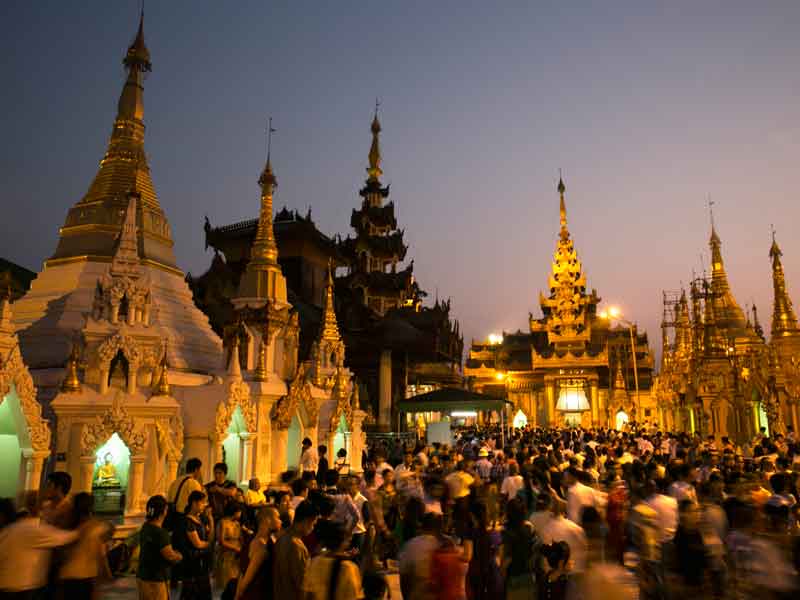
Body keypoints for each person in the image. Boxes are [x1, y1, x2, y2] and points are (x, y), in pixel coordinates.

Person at [0, 491, 79, 597]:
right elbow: (69, 537)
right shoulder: (37, 529)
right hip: (26, 587)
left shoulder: (10, 530)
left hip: (8, 585)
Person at [57, 492, 113, 599]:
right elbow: (101, 554)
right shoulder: (96, 527)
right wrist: (107, 572)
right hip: (86, 577)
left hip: (68, 575)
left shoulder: (68, 524)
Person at [302, 521, 365, 600]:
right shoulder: (348, 568)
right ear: (343, 542)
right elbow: (354, 596)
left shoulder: (315, 562)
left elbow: (308, 594)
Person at [137, 495, 183, 600]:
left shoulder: (146, 527)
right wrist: (179, 556)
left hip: (143, 576)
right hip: (156, 579)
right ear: (163, 512)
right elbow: (169, 555)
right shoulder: (161, 533)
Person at [273, 500, 319, 599]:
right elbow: (303, 584)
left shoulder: (281, 537)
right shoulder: (297, 546)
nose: (313, 528)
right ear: (306, 521)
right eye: (313, 524)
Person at [173, 490, 214, 600]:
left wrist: (210, 519)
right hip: (193, 563)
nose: (204, 505)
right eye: (202, 502)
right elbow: (198, 544)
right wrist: (207, 544)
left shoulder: (200, 519)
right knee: (191, 592)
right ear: (194, 503)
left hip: (202, 562)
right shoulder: (187, 521)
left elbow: (210, 537)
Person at [235, 505, 281, 600]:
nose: (281, 521)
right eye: (278, 517)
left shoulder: (262, 540)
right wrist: (237, 595)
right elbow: (246, 579)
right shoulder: (261, 545)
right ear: (267, 520)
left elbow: (242, 572)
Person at [500, 498, 538, 600]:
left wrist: (501, 572)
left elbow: (507, 557)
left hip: (513, 576)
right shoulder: (529, 528)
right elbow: (534, 550)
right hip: (528, 575)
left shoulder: (506, 531)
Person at [399, 512, 443, 600]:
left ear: (422, 526)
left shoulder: (410, 545)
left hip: (416, 595)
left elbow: (404, 578)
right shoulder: (445, 545)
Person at [214, 502, 244, 593]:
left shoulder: (237, 524)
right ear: (235, 511)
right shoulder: (223, 523)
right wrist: (235, 548)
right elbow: (221, 541)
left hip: (236, 557)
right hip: (226, 556)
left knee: (236, 585)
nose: (240, 514)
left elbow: (241, 539)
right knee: (226, 585)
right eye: (239, 512)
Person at [167, 458, 204, 528]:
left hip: (173, 516)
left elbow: (169, 499)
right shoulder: (194, 483)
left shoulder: (175, 482)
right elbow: (198, 504)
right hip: (185, 519)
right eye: (200, 470)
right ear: (196, 470)